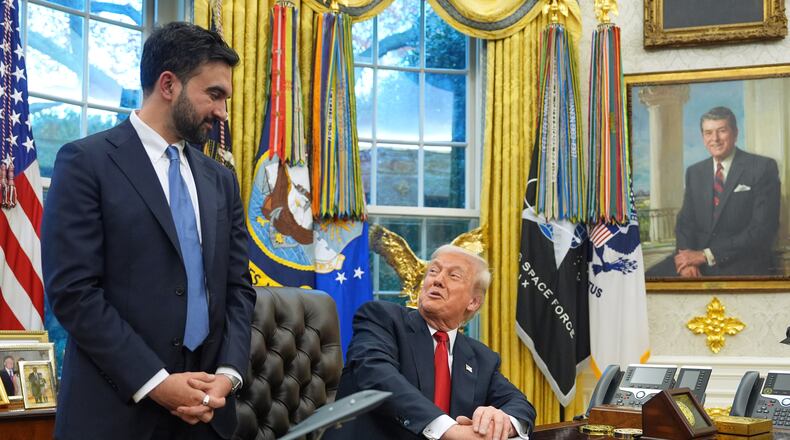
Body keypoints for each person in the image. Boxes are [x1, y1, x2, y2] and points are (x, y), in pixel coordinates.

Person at [42, 22, 256, 440]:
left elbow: (238, 288)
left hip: (207, 418)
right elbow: (74, 292)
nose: (222, 112)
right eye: (214, 95)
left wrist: (228, 375)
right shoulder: (85, 163)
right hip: (115, 414)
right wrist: (156, 383)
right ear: (169, 84)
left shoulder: (221, 180)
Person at [324, 245, 536, 440]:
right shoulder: (382, 319)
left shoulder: (482, 358)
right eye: (433, 271)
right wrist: (451, 431)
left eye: (453, 275)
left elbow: (520, 404)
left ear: (473, 302)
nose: (437, 280)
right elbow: (376, 375)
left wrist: (501, 423)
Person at [647, 106, 780, 277]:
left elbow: (762, 229)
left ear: (735, 133)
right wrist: (686, 261)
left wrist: (706, 255)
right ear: (703, 137)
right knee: (646, 282)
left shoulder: (762, 167)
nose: (715, 139)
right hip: (696, 259)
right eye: (708, 133)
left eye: (722, 131)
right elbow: (685, 223)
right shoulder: (695, 172)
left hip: (741, 260)